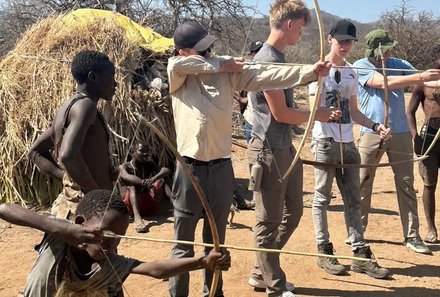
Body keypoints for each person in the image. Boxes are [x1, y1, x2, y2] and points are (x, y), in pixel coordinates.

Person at [168, 18, 335, 297]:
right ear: (184, 51)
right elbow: (178, 64)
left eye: (210, 50)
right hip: (190, 168)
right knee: (183, 243)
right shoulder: (179, 72)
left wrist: (309, 71)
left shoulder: (227, 73)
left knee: (216, 242)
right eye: (202, 51)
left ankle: (213, 293)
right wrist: (220, 63)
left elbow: (268, 75)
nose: (209, 54)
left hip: (221, 167)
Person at [246, 1, 341, 296]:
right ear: (289, 25)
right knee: (268, 220)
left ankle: (262, 271)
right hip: (267, 150)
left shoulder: (279, 58)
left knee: (295, 212)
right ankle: (274, 286)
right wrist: (320, 114)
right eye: (300, 28)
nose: (300, 34)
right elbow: (281, 114)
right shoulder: (266, 60)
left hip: (284, 147)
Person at [0, 189, 230, 297]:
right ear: (80, 222)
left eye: (118, 239)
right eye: (107, 235)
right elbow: (5, 209)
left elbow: (155, 270)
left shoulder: (109, 263)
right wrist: (62, 228)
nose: (112, 245)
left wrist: (202, 261)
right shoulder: (58, 239)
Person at [309, 20, 391, 279]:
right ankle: (324, 250)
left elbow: (354, 111)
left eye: (349, 41)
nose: (345, 45)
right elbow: (313, 110)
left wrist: (375, 125)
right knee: (322, 197)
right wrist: (324, 114)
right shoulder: (319, 70)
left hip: (348, 142)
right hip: (325, 142)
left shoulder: (352, 72)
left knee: (353, 199)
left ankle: (360, 254)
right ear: (330, 39)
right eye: (341, 40)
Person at [353, 29, 440, 255]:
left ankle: (412, 235)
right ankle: (357, 231)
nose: (391, 51)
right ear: (377, 49)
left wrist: (429, 77)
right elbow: (383, 82)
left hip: (399, 132)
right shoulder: (360, 65)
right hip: (371, 130)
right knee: (363, 181)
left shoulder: (397, 62)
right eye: (387, 47)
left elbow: (428, 80)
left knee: (406, 182)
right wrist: (419, 78)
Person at [28, 50, 116, 219]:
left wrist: (66, 178)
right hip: (87, 209)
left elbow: (35, 152)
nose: (115, 83)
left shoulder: (69, 108)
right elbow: (68, 155)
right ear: (93, 77)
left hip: (75, 204)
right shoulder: (85, 106)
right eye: (111, 76)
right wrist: (95, 196)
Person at [406, 46, 440, 243]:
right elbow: (409, 111)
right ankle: (431, 228)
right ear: (435, 59)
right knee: (429, 184)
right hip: (429, 137)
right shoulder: (423, 83)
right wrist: (415, 137)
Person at [119, 140, 171, 233]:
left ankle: (175, 204)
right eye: (142, 151)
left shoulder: (149, 165)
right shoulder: (124, 166)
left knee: (162, 179)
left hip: (148, 206)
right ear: (132, 152)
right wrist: (143, 182)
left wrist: (153, 179)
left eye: (148, 151)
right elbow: (126, 176)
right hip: (130, 207)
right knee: (133, 187)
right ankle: (138, 219)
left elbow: (166, 170)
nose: (146, 154)